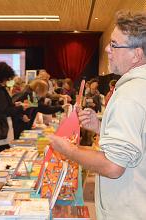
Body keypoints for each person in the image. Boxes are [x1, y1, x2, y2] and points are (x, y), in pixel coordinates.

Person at [49, 11, 146, 220]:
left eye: (114, 44)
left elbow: (113, 166)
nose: (107, 49)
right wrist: (101, 128)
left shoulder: (129, 95)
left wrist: (69, 150)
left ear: (136, 54)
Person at [0, 62, 29, 167]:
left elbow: (0, 107)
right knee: (0, 158)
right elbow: (4, 110)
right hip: (0, 128)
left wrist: (13, 105)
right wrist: (20, 107)